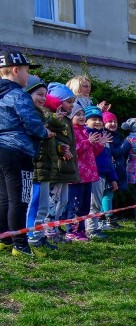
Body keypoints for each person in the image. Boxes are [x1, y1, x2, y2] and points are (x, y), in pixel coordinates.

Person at [0, 50, 53, 257]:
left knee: (3, 198)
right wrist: (44, 132)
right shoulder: (18, 95)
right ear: (15, 70)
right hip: (17, 151)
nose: (28, 75)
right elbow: (31, 123)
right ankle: (20, 245)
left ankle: (4, 239)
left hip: (1, 152)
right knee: (19, 200)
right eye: (26, 71)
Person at [25, 75, 61, 254]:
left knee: (44, 205)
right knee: (36, 203)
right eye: (39, 94)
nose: (42, 98)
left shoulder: (40, 115)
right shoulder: (29, 115)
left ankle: (37, 235)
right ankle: (32, 235)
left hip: (45, 167)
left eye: (44, 96)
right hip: (37, 168)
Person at [42, 82, 79, 241]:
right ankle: (48, 230)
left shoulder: (66, 119)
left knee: (63, 200)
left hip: (66, 165)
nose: (72, 105)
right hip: (56, 166)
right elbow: (50, 137)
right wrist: (60, 148)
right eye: (69, 102)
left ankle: (56, 227)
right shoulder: (50, 116)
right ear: (57, 101)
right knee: (53, 199)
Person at [67, 104, 106, 240]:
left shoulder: (85, 131)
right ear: (70, 117)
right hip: (77, 175)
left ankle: (81, 230)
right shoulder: (70, 131)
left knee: (84, 205)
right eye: (78, 114)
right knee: (75, 205)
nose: (82, 117)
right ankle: (72, 231)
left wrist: (99, 144)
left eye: (83, 114)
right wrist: (88, 142)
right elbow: (74, 150)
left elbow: (93, 153)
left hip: (89, 175)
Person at [84, 106, 117, 237]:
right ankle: (90, 229)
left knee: (96, 202)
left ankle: (93, 227)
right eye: (93, 119)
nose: (97, 122)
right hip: (90, 174)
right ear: (86, 121)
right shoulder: (85, 134)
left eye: (99, 119)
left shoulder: (104, 136)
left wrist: (113, 178)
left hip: (102, 175)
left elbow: (108, 159)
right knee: (91, 203)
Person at [102, 111, 127, 228]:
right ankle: (108, 218)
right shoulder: (106, 136)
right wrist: (125, 145)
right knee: (107, 193)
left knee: (109, 193)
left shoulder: (116, 135)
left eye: (115, 122)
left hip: (115, 169)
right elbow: (115, 152)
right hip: (107, 169)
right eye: (109, 121)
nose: (113, 124)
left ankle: (105, 217)